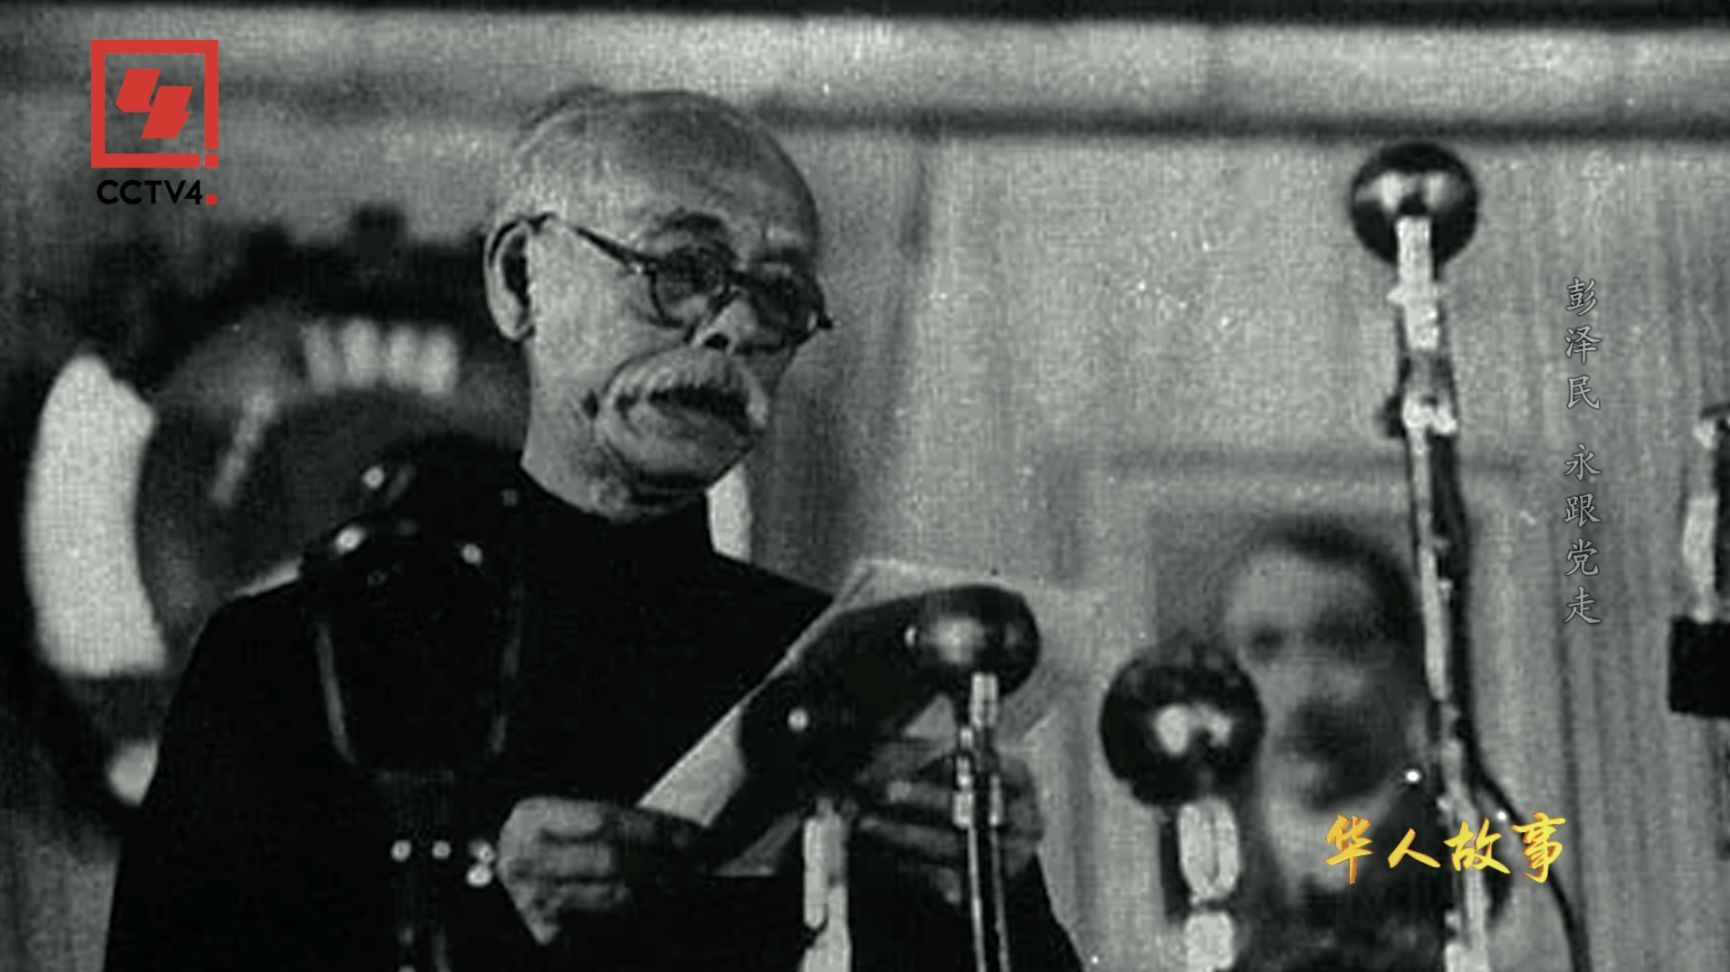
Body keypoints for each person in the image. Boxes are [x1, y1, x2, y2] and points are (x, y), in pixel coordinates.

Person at [105, 89, 1080, 972]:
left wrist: (987, 901)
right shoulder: (287, 665)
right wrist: (474, 916)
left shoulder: (852, 684)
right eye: (682, 269)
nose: (734, 330)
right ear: (519, 280)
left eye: (779, 295)